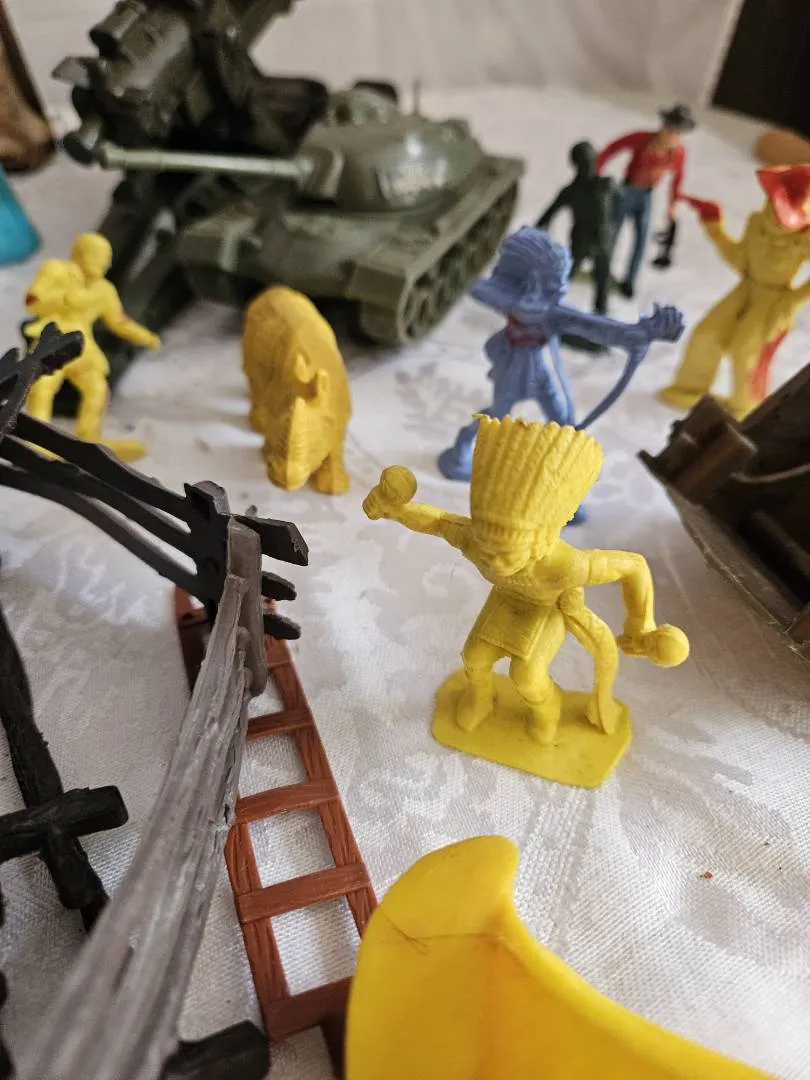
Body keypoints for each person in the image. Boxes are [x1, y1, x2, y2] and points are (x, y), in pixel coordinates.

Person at [596, 104, 696, 299]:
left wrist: (673, 205)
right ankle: (602, 271)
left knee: (641, 239)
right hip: (626, 190)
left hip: (647, 195)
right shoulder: (643, 139)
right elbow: (613, 147)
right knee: (612, 233)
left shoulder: (678, 153)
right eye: (671, 129)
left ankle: (629, 280)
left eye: (678, 133)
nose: (673, 136)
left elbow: (677, 179)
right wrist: (598, 172)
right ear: (663, 126)